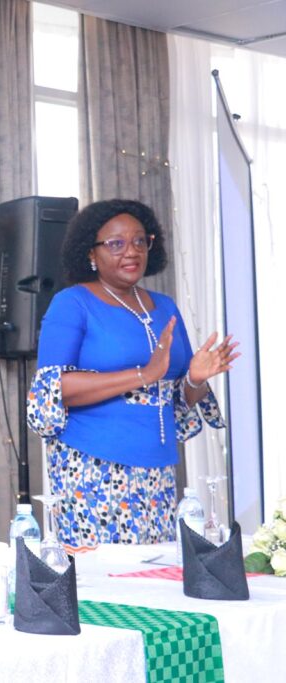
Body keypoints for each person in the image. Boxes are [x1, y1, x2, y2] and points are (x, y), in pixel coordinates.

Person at [28, 199, 237, 549]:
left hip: (158, 466)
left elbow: (178, 399)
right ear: (90, 254)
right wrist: (145, 372)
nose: (131, 251)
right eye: (116, 243)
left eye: (140, 241)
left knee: (154, 576)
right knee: (106, 580)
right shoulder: (72, 303)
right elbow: (55, 388)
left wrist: (196, 379)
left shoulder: (164, 306)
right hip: (93, 466)